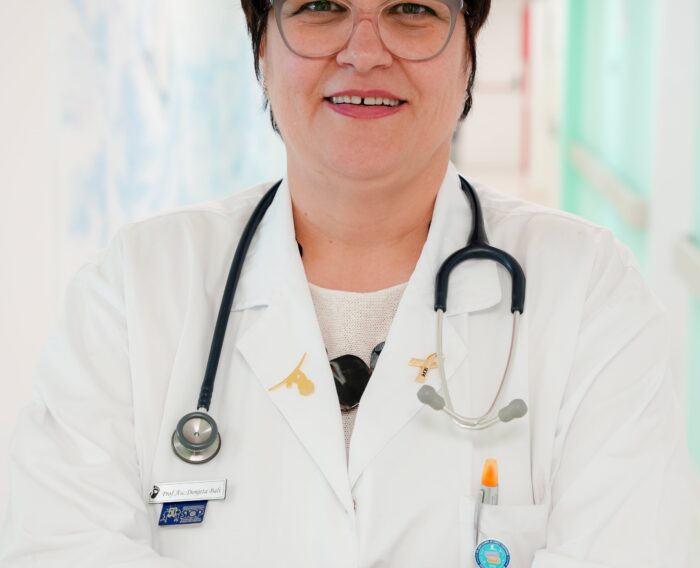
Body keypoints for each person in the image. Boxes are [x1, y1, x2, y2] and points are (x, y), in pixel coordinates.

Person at [0, 0, 694, 566]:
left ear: (468, 51)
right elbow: (55, 547)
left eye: (412, 10)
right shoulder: (133, 288)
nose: (364, 51)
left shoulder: (589, 291)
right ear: (262, 45)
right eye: (321, 7)